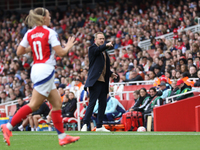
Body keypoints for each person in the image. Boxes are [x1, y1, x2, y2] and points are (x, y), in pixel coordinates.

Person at [1, 7, 79, 147]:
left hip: (36, 68)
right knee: (34, 104)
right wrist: (68, 47)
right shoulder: (50, 32)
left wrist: (34, 46)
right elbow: (61, 53)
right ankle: (9, 126)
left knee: (56, 104)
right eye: (48, 16)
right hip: (45, 70)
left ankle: (62, 137)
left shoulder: (30, 33)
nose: (50, 18)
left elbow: (19, 51)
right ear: (43, 18)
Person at [81, 32, 117, 132]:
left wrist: (111, 74)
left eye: (103, 39)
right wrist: (106, 45)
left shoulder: (104, 52)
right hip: (95, 80)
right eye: (100, 39)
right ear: (95, 40)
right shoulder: (92, 49)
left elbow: (103, 67)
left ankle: (100, 126)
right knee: (92, 103)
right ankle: (85, 124)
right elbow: (98, 50)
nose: (102, 40)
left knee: (103, 103)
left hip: (103, 81)